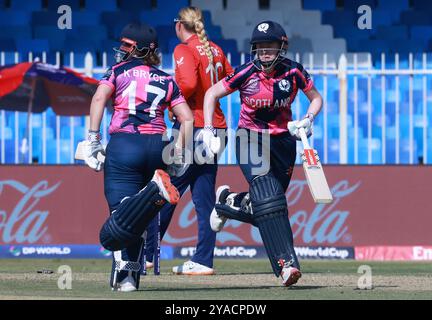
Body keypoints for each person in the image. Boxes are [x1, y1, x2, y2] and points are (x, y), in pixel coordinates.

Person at [203, 21, 323, 286]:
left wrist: (308, 118)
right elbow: (211, 94)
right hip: (249, 138)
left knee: (272, 204)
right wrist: (209, 130)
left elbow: (316, 98)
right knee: (269, 199)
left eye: (270, 46)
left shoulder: (294, 71)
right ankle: (286, 266)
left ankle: (229, 202)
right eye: (260, 47)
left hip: (283, 142)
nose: (265, 52)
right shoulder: (245, 72)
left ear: (281, 46)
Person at [85, 22, 193, 292]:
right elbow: (187, 119)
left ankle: (126, 278)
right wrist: (178, 152)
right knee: (140, 214)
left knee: (122, 212)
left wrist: (93, 139)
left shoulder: (117, 71)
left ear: (142, 50)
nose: (121, 50)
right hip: (157, 146)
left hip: (125, 144)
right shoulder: (167, 79)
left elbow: (99, 99)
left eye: (127, 46)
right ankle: (131, 276)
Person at [144, 6, 233, 275]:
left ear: (179, 25)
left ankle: (148, 255)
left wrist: (171, 100)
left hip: (193, 129)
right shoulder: (215, 49)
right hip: (217, 129)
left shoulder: (184, 50)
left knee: (167, 190)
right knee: (204, 199)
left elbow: (190, 85)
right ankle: (203, 260)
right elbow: (230, 80)